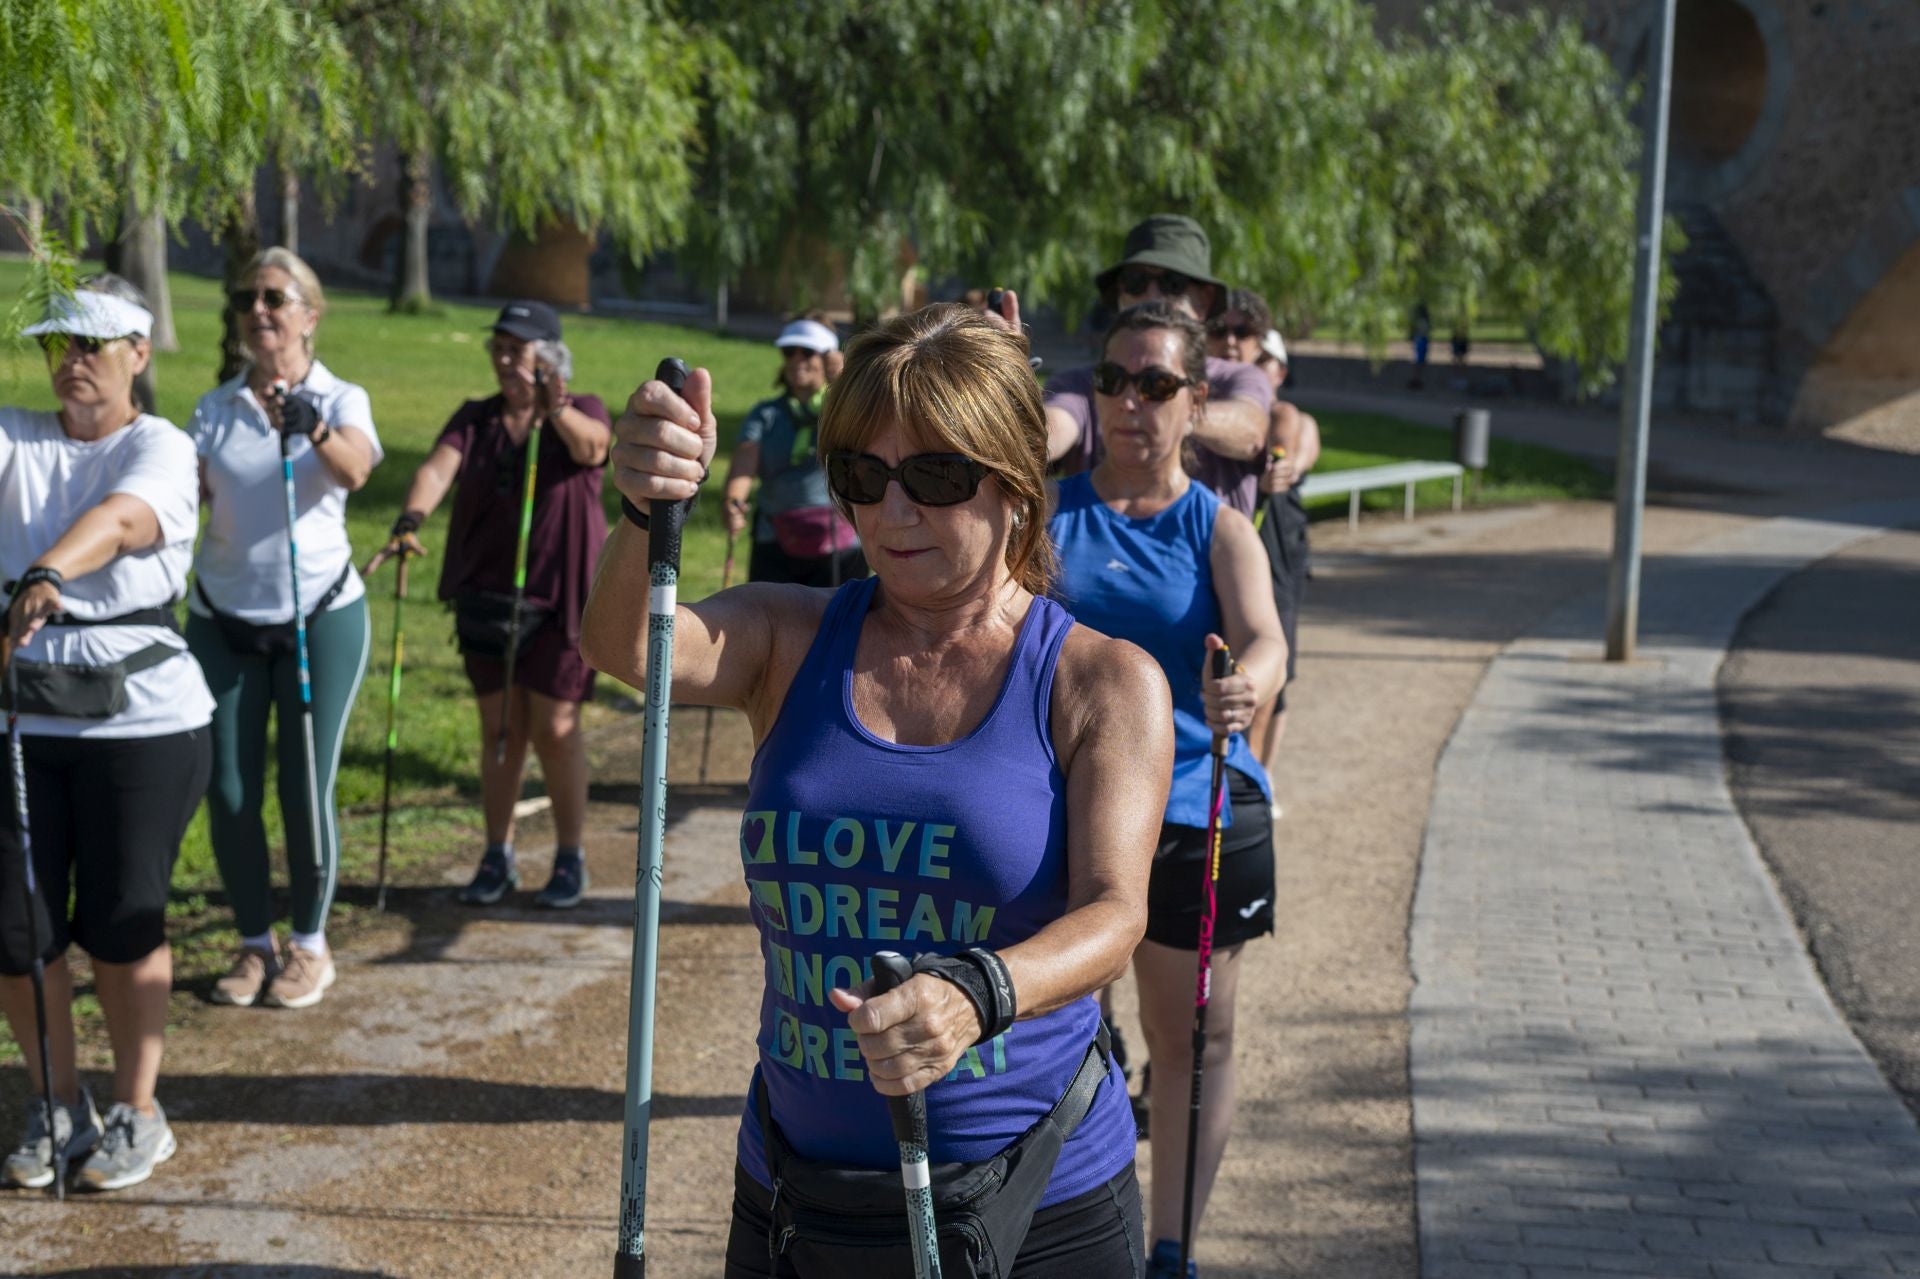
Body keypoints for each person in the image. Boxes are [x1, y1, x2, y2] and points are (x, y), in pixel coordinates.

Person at [582, 301, 1174, 1276]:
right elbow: (624, 647)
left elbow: (1113, 913)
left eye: (936, 475)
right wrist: (645, 506)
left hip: (1034, 1201)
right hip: (797, 1196)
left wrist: (977, 992)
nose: (891, 514)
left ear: (1016, 481)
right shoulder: (790, 635)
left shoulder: (1101, 680)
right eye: (862, 475)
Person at [1047, 301, 1287, 1279]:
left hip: (1196, 807)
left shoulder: (1219, 528)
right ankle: (1062, 1230)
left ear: (1195, 402)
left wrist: (1251, 683)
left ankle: (1171, 1250)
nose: (1130, 402)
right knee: (1057, 1032)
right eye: (1113, 380)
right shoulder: (1047, 513)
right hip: (1062, 809)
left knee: (1189, 1037)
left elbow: (1266, 636)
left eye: (1155, 384)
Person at [1, 277, 214, 1191]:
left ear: (139, 351)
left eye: (93, 345)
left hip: (144, 724)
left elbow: (126, 520)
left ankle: (139, 1108)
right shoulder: (16, 436)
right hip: (22, 718)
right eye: (59, 344)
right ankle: (57, 1099)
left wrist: (49, 568)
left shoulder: (160, 443)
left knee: (124, 922)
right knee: (19, 930)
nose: (74, 361)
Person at [187, 247, 381, 1011]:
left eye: (275, 297)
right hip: (222, 616)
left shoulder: (343, 395)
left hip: (319, 616)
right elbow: (187, 496)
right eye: (247, 299)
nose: (258, 310)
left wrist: (313, 425)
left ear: (310, 314)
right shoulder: (216, 406)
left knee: (307, 785)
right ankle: (251, 942)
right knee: (229, 790)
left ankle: (308, 944)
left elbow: (359, 467)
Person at [389, 301, 612, 909]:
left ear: (549, 357)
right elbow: (439, 469)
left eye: (518, 349)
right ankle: (497, 854)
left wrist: (553, 406)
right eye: (500, 348)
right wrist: (411, 519)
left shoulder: (581, 410)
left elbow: (594, 450)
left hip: (561, 601)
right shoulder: (477, 417)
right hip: (488, 599)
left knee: (557, 731)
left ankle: (569, 858)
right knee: (500, 731)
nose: (505, 360)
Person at [1042, 215, 1271, 516]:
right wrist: (999, 374)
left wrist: (1172, 412)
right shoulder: (1088, 383)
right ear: (1121, 296)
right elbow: (1044, 434)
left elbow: (1251, 432)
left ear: (1203, 300)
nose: (1151, 297)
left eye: (1172, 283)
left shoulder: (1236, 377)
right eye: (1135, 282)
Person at [1209, 300, 1321, 787]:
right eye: (1220, 329)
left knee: (1266, 666)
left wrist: (1285, 462)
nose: (1231, 340)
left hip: (1272, 552)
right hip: (1215, 553)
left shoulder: (1281, 412)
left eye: (1245, 332)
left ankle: (1252, 778)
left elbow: (1293, 437)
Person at [720, 315, 864, 586]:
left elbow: (869, 434)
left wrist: (845, 383)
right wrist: (733, 501)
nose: (797, 359)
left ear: (827, 358)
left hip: (839, 544)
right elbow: (744, 464)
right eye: (789, 351)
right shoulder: (765, 414)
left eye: (807, 352)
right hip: (774, 541)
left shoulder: (844, 410)